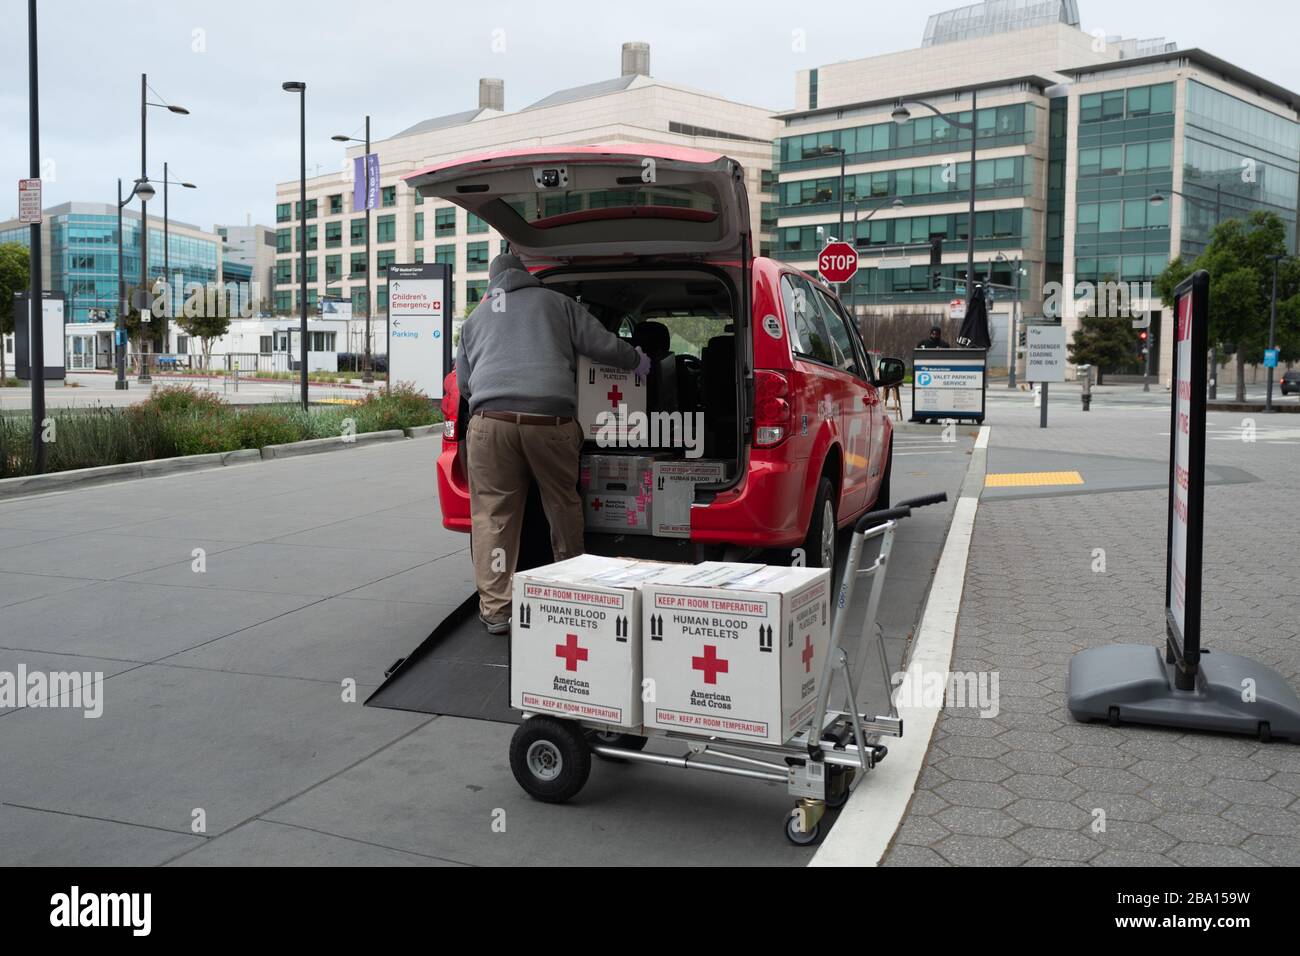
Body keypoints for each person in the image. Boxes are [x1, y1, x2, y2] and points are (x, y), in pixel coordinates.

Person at [456, 253, 652, 634]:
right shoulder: (557, 304)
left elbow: (465, 385)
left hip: (489, 424)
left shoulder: (475, 320)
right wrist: (635, 360)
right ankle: (568, 592)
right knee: (561, 503)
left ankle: (497, 610)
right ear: (525, 276)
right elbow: (602, 345)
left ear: (493, 281)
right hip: (549, 421)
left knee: (494, 516)